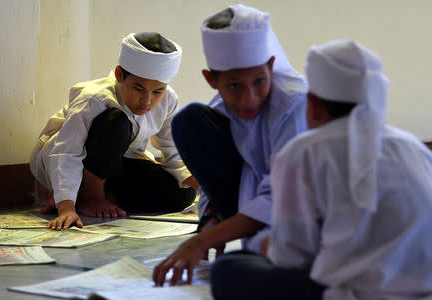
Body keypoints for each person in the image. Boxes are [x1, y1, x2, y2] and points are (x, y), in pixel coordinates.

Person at [211, 39, 432, 300]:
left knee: (229, 269)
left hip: (353, 293)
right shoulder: (413, 147)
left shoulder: (303, 151)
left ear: (313, 105)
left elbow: (292, 256)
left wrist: (269, 244)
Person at [152, 4, 308, 286]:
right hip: (261, 213)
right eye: (235, 85)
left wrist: (201, 243)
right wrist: (209, 221)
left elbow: (283, 197)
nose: (249, 98)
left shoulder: (294, 104)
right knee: (189, 121)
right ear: (212, 80)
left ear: (271, 67)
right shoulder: (221, 109)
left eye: (259, 81)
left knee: (229, 274)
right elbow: (216, 180)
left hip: (303, 217)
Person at [30, 32, 198, 231]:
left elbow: (173, 149)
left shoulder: (169, 99)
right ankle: (89, 197)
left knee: (182, 193)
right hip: (61, 158)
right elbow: (66, 150)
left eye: (157, 91)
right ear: (119, 75)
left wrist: (202, 184)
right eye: (138, 88)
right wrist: (65, 207)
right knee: (115, 122)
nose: (147, 101)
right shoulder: (95, 98)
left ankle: (81, 193)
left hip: (114, 164)